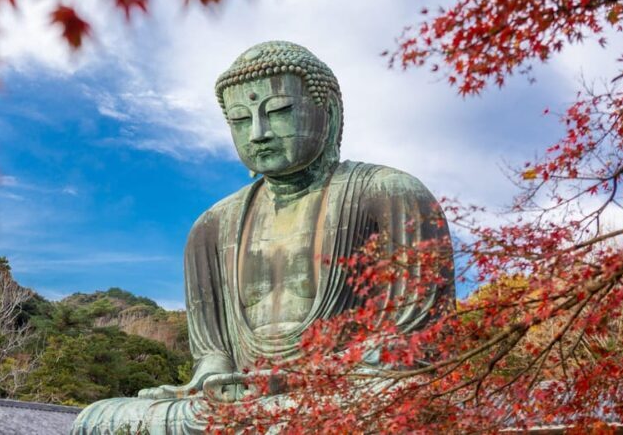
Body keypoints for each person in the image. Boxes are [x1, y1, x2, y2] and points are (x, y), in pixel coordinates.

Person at [72, 41, 454, 434]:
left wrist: (311, 377)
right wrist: (212, 376)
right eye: (240, 120)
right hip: (247, 401)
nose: (258, 133)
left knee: (397, 401)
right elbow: (213, 353)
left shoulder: (389, 193)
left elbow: (414, 343)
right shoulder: (212, 226)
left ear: (330, 113)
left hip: (349, 390)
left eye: (278, 111)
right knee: (98, 419)